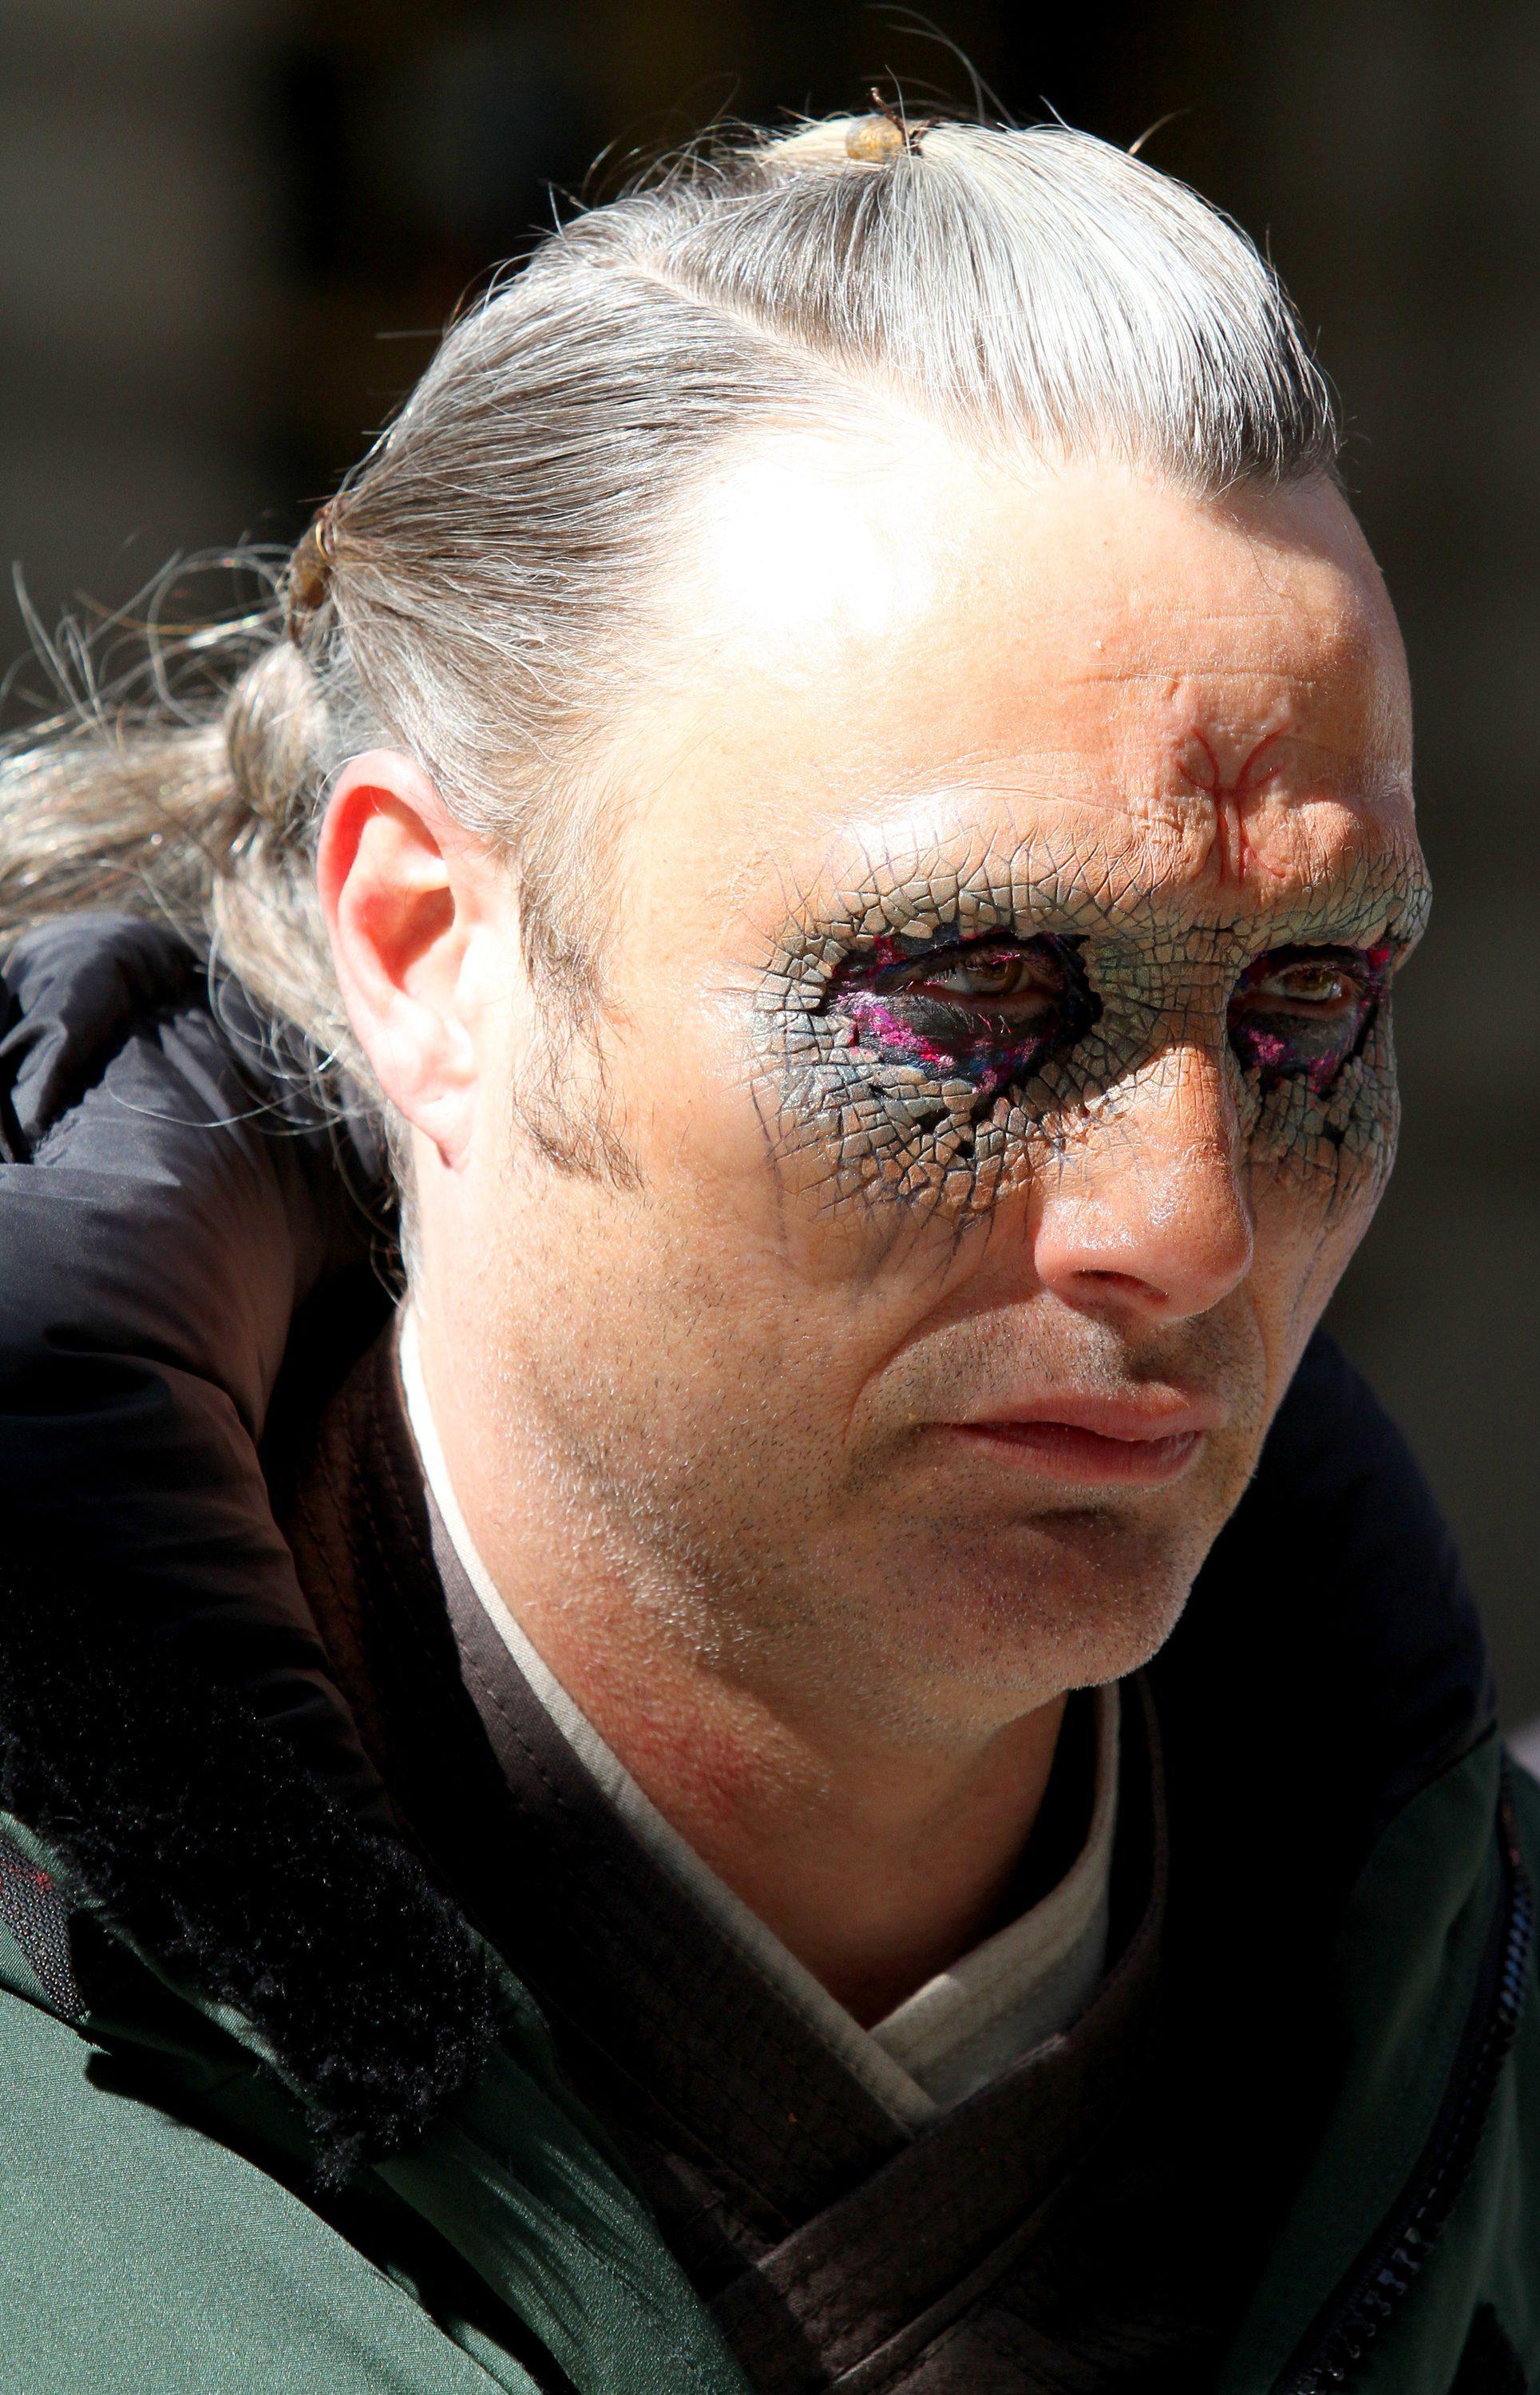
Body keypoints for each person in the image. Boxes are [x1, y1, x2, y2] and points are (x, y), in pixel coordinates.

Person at [0, 110, 1534, 2395]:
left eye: (1307, 1007)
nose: (1187, 1228)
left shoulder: (1478, 2072)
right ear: (429, 952)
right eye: (969, 1001)